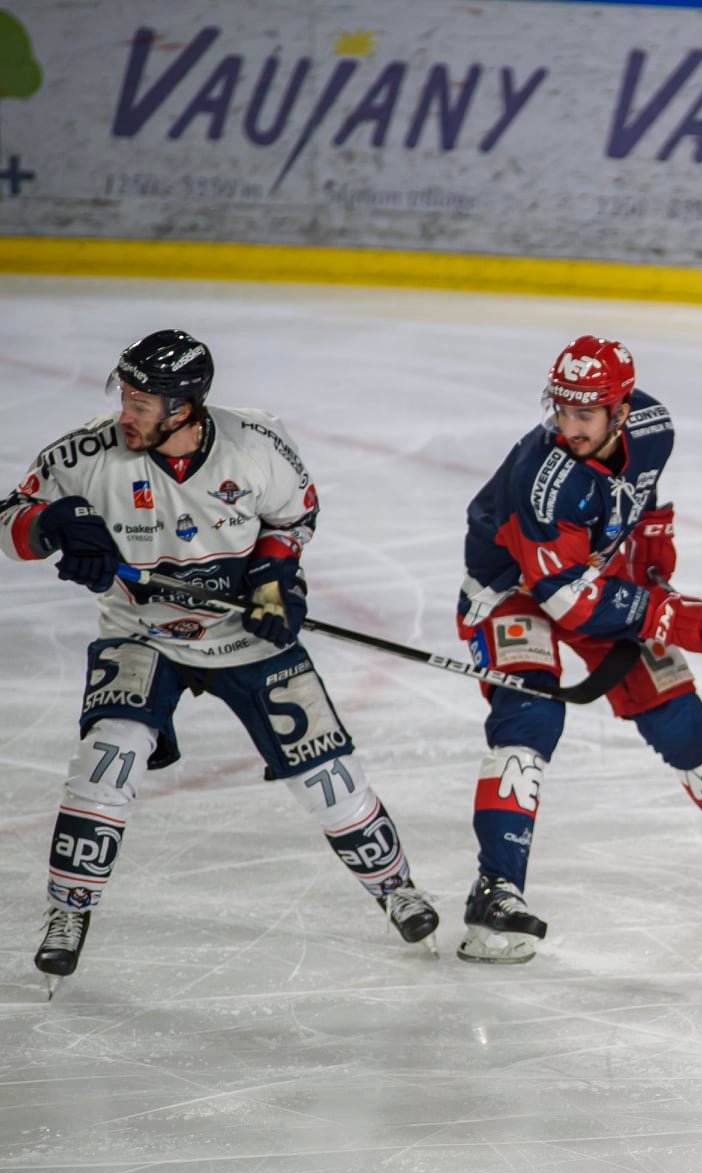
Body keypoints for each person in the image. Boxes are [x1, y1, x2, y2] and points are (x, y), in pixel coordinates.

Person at [0, 330, 439, 995]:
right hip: (142, 632)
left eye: (144, 402)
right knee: (107, 756)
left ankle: (395, 887)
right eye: (126, 396)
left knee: (326, 773)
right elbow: (9, 517)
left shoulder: (256, 445)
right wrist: (55, 524)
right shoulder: (88, 451)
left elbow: (295, 518)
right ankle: (68, 910)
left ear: (186, 408)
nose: (128, 413)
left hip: (243, 636)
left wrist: (272, 582)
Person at [453, 334, 702, 964]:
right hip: (515, 592)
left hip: (595, 577)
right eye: (562, 411)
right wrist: (665, 612)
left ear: (621, 411)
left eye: (585, 415)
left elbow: (640, 485)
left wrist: (652, 536)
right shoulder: (543, 483)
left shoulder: (653, 424)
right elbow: (567, 602)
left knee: (677, 713)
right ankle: (495, 891)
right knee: (531, 717)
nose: (569, 427)